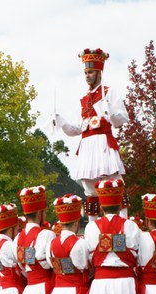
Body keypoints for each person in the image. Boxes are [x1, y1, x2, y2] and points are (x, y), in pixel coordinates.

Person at [54, 48, 129, 221]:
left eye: (90, 72)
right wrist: (61, 121)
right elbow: (77, 128)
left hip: (103, 143)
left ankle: (123, 222)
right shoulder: (83, 98)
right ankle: (93, 227)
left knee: (116, 184)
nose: (87, 76)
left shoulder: (110, 92)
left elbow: (122, 118)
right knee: (90, 189)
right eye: (85, 72)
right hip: (87, 146)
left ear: (99, 72)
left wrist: (109, 112)